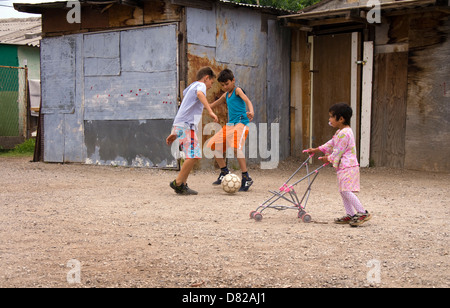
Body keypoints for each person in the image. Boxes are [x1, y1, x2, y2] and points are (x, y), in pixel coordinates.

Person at [306, 103, 371, 227]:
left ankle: (362, 212)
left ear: (341, 119)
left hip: (348, 166)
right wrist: (316, 149)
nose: (329, 119)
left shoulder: (344, 134)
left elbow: (337, 152)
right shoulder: (340, 132)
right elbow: (331, 144)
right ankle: (350, 214)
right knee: (343, 191)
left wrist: (328, 159)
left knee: (346, 191)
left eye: (331, 117)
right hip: (344, 167)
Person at [166, 67, 218, 195]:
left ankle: (182, 184)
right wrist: (210, 111)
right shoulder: (200, 85)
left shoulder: (191, 87)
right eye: (211, 82)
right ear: (206, 78)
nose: (211, 86)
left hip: (182, 125)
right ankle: (178, 183)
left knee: (193, 155)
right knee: (194, 155)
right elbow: (200, 94)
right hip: (186, 125)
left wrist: (175, 131)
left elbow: (186, 107)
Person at [206, 69, 255, 192]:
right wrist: (203, 105)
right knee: (213, 145)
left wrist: (251, 111)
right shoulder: (226, 95)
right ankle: (224, 171)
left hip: (240, 123)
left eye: (227, 84)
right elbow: (213, 104)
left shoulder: (237, 90)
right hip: (230, 125)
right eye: (222, 85)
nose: (225, 87)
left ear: (233, 80)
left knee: (235, 148)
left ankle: (246, 177)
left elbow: (247, 100)